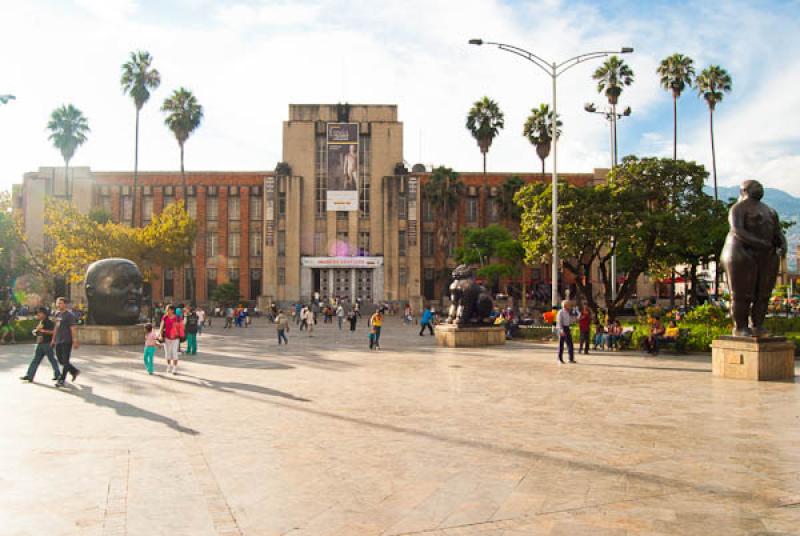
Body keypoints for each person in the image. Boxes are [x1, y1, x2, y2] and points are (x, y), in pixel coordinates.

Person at [20, 306, 60, 382]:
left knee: (52, 360)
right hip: (40, 343)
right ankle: (29, 376)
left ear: (44, 314)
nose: (37, 314)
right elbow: (37, 331)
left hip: (47, 344)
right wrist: (34, 332)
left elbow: (53, 332)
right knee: (35, 360)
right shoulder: (40, 322)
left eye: (39, 313)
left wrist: (43, 331)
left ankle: (58, 375)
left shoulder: (49, 322)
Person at [53, 297, 80, 387]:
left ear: (65, 304)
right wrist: (53, 339)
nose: (58, 305)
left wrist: (75, 340)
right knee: (60, 360)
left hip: (67, 341)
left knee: (65, 360)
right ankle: (74, 371)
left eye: (60, 303)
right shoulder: (57, 314)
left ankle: (62, 379)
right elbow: (56, 327)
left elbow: (73, 328)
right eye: (57, 303)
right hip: (58, 340)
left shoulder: (69, 315)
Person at [159, 304, 183, 375]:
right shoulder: (165, 317)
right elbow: (161, 326)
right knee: (167, 353)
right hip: (166, 337)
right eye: (166, 309)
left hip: (175, 338)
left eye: (168, 309)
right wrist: (160, 335)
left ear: (172, 310)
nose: (166, 310)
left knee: (174, 352)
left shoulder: (177, 318)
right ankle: (169, 366)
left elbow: (181, 327)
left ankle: (175, 368)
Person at [556, 300, 575, 364]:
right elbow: (559, 322)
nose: (570, 306)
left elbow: (569, 321)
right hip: (562, 328)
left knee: (570, 344)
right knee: (561, 344)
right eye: (569, 304)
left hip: (567, 328)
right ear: (565, 305)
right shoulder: (560, 312)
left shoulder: (567, 312)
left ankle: (571, 359)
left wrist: (576, 319)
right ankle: (559, 359)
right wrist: (561, 330)